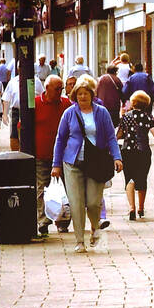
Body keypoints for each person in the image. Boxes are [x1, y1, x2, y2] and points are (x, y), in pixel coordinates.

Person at [52, 77, 122, 252]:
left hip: (96, 162)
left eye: (86, 94)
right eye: (79, 94)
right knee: (76, 203)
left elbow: (111, 137)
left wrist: (117, 157)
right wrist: (56, 164)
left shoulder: (102, 113)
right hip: (72, 162)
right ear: (75, 96)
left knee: (93, 202)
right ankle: (79, 241)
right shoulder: (69, 113)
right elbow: (60, 139)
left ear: (92, 95)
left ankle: (94, 228)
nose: (83, 97)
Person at [118, 90, 154, 219]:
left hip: (127, 150)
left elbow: (118, 135)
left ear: (133, 103)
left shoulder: (125, 117)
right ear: (146, 104)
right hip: (143, 151)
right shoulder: (147, 117)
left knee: (129, 178)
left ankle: (131, 208)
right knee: (142, 178)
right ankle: (141, 208)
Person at [33, 75, 71, 237]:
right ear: (47, 88)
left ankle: (63, 221)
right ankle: (43, 221)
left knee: (66, 189)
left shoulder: (66, 104)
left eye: (61, 88)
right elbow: (23, 128)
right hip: (42, 154)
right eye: (57, 88)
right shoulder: (35, 104)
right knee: (42, 188)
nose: (60, 92)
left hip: (64, 155)